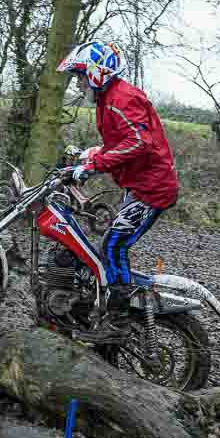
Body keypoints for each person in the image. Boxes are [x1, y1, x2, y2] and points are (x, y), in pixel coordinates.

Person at [56, 41, 179, 313]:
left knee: (113, 246)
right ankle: (106, 299)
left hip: (152, 189)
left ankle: (119, 314)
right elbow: (122, 142)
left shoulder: (122, 99)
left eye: (80, 77)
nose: (78, 84)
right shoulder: (109, 99)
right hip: (139, 185)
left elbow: (139, 142)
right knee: (109, 245)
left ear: (96, 73)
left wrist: (94, 166)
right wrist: (90, 155)